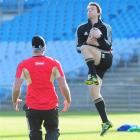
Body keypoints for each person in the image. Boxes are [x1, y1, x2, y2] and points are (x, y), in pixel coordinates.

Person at [12, 35, 71, 140]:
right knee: (52, 131)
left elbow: (16, 88)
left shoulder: (23, 64)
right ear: (44, 47)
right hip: (51, 106)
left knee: (34, 133)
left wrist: (15, 100)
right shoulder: (54, 63)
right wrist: (67, 100)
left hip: (32, 106)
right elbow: (63, 85)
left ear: (32, 48)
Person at [76, 2, 113, 136]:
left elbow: (108, 46)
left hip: (106, 58)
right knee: (93, 94)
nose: (89, 11)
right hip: (95, 62)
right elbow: (78, 48)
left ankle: (91, 74)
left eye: (92, 9)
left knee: (86, 48)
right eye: (88, 9)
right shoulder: (81, 28)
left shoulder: (105, 27)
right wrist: (89, 43)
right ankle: (106, 122)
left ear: (98, 13)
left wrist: (99, 38)